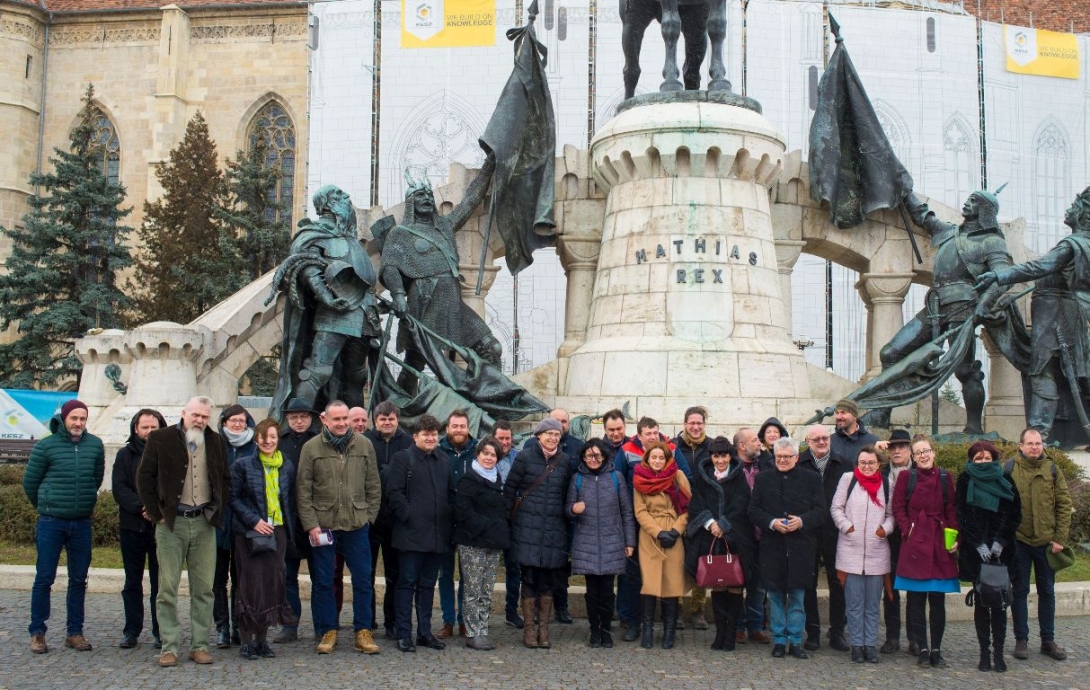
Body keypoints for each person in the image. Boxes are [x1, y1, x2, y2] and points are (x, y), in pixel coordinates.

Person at [975, 186, 1090, 443]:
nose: (1069, 209)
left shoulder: (1072, 245)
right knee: (1067, 371)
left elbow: (1041, 266)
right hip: (1063, 313)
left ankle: (1039, 434)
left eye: (1075, 206)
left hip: (1056, 316)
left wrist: (999, 274)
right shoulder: (1083, 245)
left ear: (1083, 214)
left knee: (1043, 369)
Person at [380, 157, 501, 395]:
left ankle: (493, 397)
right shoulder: (400, 232)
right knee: (416, 361)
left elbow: (470, 201)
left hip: (452, 301)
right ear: (410, 203)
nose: (425, 199)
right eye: (419, 196)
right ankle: (402, 405)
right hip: (423, 301)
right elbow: (389, 266)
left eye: (428, 195)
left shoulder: (444, 226)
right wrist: (398, 295)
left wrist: (490, 165)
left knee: (491, 347)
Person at [268, 185, 379, 417]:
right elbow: (305, 264)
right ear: (328, 203)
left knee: (356, 378)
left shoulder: (351, 240)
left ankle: (354, 429)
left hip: (365, 316)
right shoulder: (314, 234)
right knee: (317, 371)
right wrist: (326, 297)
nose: (347, 197)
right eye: (340, 195)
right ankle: (299, 422)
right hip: (334, 315)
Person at [137, 396, 229, 667]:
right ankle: (169, 646)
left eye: (204, 416)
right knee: (167, 588)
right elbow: (144, 478)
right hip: (171, 524)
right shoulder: (161, 438)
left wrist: (217, 510)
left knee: (204, 589)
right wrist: (157, 513)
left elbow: (224, 479)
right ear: (183, 414)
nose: (199, 420)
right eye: (195, 415)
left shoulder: (216, 441)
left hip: (204, 522)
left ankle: (199, 645)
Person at [295, 400, 382, 655]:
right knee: (323, 581)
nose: (342, 423)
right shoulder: (311, 448)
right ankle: (328, 630)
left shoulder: (364, 445)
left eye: (345, 418)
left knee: (363, 580)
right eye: (337, 419)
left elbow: (373, 486)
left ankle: (363, 631)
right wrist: (311, 525)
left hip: (356, 525)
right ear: (325, 420)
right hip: (323, 527)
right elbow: (303, 490)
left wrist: (369, 518)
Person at [23, 399, 105, 655]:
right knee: (44, 578)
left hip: (81, 522)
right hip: (51, 521)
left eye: (82, 418)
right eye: (74, 418)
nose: (78, 423)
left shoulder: (95, 445)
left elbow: (97, 478)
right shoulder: (46, 446)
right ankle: (37, 632)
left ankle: (75, 632)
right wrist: (47, 504)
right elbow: (30, 483)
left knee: (79, 579)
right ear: (65, 419)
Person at [749, 437, 825, 660]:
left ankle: (796, 640)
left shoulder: (812, 479)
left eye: (786, 457)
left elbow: (821, 511)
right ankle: (779, 640)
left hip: (801, 546)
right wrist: (772, 523)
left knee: (797, 597)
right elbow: (753, 510)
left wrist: (801, 521)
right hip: (772, 546)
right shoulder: (763, 479)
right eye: (778, 457)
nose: (782, 460)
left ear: (796, 457)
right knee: (775, 597)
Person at [229, 419, 298, 660]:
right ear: (256, 439)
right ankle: (246, 641)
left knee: (271, 585)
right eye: (263, 437)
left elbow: (289, 500)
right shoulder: (243, 465)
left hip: (276, 532)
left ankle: (262, 641)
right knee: (250, 587)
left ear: (278, 439)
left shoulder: (286, 466)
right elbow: (234, 498)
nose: (268, 442)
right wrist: (254, 520)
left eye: (272, 437)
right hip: (250, 533)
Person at [385, 414, 455, 653]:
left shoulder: (443, 460)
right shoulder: (403, 458)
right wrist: (408, 515)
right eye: (426, 434)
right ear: (415, 437)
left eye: (434, 434)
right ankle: (404, 633)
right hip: (410, 535)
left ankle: (424, 632)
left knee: (427, 586)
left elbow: (449, 494)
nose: (430, 438)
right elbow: (393, 492)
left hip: (436, 535)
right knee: (406, 584)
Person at [504, 417, 573, 649]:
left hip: (554, 530)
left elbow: (567, 495)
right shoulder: (524, 457)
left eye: (556, 434)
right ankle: (529, 630)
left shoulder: (565, 461)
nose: (553, 438)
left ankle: (544, 630)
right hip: (527, 529)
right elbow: (510, 490)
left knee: (548, 581)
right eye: (548, 434)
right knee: (530, 578)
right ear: (539, 436)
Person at [891, 435, 959, 668]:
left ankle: (937, 648)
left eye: (926, 451)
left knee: (937, 600)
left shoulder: (944, 476)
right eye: (918, 452)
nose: (923, 455)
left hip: (939, 541)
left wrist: (954, 534)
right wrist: (906, 529)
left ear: (933, 452)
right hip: (915, 541)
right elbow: (898, 506)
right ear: (913, 456)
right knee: (916, 600)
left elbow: (951, 507)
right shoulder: (905, 477)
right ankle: (921, 647)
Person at [1005, 428, 1072, 662]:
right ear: (1020, 445)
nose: (1035, 447)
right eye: (1030, 443)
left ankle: (1048, 640)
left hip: (1046, 543)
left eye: (1038, 443)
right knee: (1020, 591)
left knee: (1047, 592)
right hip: (1019, 541)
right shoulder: (1009, 469)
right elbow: (1002, 505)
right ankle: (1021, 640)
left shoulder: (1053, 469)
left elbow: (1064, 504)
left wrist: (1059, 539)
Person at [684, 436, 755, 652]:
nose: (720, 460)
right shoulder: (703, 476)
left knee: (734, 584)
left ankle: (731, 633)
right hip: (711, 537)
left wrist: (724, 524)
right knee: (717, 583)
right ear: (711, 457)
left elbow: (742, 504)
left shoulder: (738, 476)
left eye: (724, 455)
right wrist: (710, 523)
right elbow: (697, 503)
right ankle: (720, 633)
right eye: (716, 456)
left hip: (735, 537)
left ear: (730, 456)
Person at [955, 441, 1021, 673]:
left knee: (1000, 604)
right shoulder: (965, 480)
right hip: (977, 553)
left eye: (987, 458)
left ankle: (999, 654)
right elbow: (961, 514)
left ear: (994, 458)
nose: (983, 462)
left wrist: (1000, 541)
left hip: (1002, 554)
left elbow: (1015, 514)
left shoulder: (1005, 478)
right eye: (978, 459)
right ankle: (984, 653)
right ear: (971, 461)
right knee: (982, 604)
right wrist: (978, 543)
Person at [567, 438, 635, 648]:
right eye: (589, 456)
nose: (593, 459)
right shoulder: (577, 478)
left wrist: (629, 541)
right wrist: (573, 510)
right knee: (591, 591)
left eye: (597, 455)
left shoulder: (616, 478)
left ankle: (606, 630)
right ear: (583, 457)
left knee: (607, 591)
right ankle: (594, 630)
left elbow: (626, 512)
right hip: (586, 542)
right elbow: (568, 508)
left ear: (604, 456)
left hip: (612, 541)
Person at [829, 446, 894, 664]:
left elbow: (891, 514)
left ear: (878, 464)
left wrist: (884, 529)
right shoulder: (848, 479)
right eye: (863, 463)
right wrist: (847, 527)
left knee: (873, 605)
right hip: (850, 551)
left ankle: (870, 645)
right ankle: (857, 645)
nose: (866, 466)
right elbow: (836, 508)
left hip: (877, 552)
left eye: (871, 463)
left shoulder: (886, 483)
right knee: (854, 604)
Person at [112, 408, 167, 650]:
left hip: (161, 527)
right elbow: (120, 488)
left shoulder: (169, 454)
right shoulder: (125, 455)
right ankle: (131, 630)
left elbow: (175, 485)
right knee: (132, 581)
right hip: (132, 526)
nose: (149, 431)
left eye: (154, 427)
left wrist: (157, 509)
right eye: (145, 427)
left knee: (160, 582)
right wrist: (143, 507)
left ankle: (160, 631)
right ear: (136, 429)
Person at [797, 422, 853, 652]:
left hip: (835, 531)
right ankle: (812, 632)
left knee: (838, 583)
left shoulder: (844, 463)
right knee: (808, 583)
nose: (821, 442)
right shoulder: (798, 463)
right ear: (807, 442)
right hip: (807, 531)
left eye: (825, 438)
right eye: (816, 439)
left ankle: (837, 631)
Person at [633, 442, 691, 650]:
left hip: (674, 534)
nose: (657, 461)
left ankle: (670, 631)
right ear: (647, 459)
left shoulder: (678, 476)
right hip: (650, 536)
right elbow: (639, 511)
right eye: (653, 457)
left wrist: (676, 530)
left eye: (661, 458)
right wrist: (657, 532)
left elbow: (688, 507)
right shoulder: (639, 479)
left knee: (672, 584)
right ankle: (647, 628)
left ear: (668, 459)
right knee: (649, 583)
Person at [455, 437, 510, 651]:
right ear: (478, 454)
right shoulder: (468, 480)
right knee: (473, 589)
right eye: (485, 453)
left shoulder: (497, 480)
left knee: (486, 589)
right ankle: (471, 632)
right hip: (473, 542)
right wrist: (487, 526)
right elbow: (464, 512)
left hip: (493, 542)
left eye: (493, 454)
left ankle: (483, 629)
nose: (489, 457)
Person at [364, 400, 413, 639]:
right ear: (375, 420)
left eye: (391, 419)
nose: (387, 422)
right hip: (371, 519)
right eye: (382, 419)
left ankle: (392, 621)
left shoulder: (407, 443)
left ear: (397, 420)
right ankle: (367, 620)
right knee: (366, 573)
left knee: (395, 574)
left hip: (396, 521)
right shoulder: (364, 442)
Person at [274, 397, 319, 643]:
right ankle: (290, 625)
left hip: (315, 518)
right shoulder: (279, 443)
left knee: (319, 576)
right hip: (287, 519)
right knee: (287, 576)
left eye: (302, 416)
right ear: (288, 419)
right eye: (294, 417)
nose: (299, 421)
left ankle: (322, 626)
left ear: (310, 418)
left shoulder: (320, 440)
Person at [214, 404, 256, 648]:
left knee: (241, 579)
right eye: (233, 421)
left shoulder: (254, 447)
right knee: (218, 579)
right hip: (218, 521)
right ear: (225, 423)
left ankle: (240, 626)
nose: (237, 424)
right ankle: (222, 626)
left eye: (241, 420)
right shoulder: (216, 445)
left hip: (243, 521)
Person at [437, 409, 476, 638]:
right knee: (445, 575)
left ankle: (463, 619)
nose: (459, 430)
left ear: (468, 428)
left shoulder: (477, 451)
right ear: (447, 428)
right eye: (455, 426)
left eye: (462, 426)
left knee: (467, 576)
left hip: (467, 523)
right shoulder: (439, 452)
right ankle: (448, 620)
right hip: (444, 522)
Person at [732, 427, 771, 644]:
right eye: (755, 440)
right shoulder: (731, 469)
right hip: (740, 536)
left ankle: (755, 626)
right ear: (742, 446)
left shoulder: (766, 465)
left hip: (762, 535)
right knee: (736, 581)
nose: (760, 443)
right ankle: (737, 626)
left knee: (758, 584)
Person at [673, 406, 709, 630]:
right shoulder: (674, 447)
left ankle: (698, 610)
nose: (695, 427)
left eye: (699, 423)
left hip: (704, 511)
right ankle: (675, 608)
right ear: (685, 423)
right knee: (676, 561)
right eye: (691, 423)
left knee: (701, 561)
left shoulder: (712, 446)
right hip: (678, 510)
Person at [880, 429, 915, 655]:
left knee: (914, 589)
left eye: (902, 446)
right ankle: (892, 636)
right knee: (890, 589)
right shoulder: (881, 473)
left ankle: (914, 637)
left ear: (911, 450)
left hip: (913, 537)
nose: (897, 450)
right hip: (887, 538)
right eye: (893, 447)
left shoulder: (921, 472)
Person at [492, 420, 523, 629]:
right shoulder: (485, 456)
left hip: (513, 519)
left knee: (514, 567)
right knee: (486, 568)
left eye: (507, 439)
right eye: (500, 438)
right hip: (492, 519)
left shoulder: (519, 457)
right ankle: (479, 615)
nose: (504, 442)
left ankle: (511, 611)